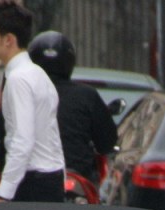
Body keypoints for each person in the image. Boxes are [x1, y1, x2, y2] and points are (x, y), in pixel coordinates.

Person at [0, 0, 64, 202]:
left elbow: (23, 140)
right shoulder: (38, 74)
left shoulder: (19, 79)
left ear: (8, 40)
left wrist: (3, 194)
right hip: (50, 178)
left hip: (32, 183)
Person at [27, 31, 117, 186]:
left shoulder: (21, 94)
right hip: (78, 180)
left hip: (31, 182)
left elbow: (1, 140)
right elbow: (107, 142)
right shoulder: (87, 95)